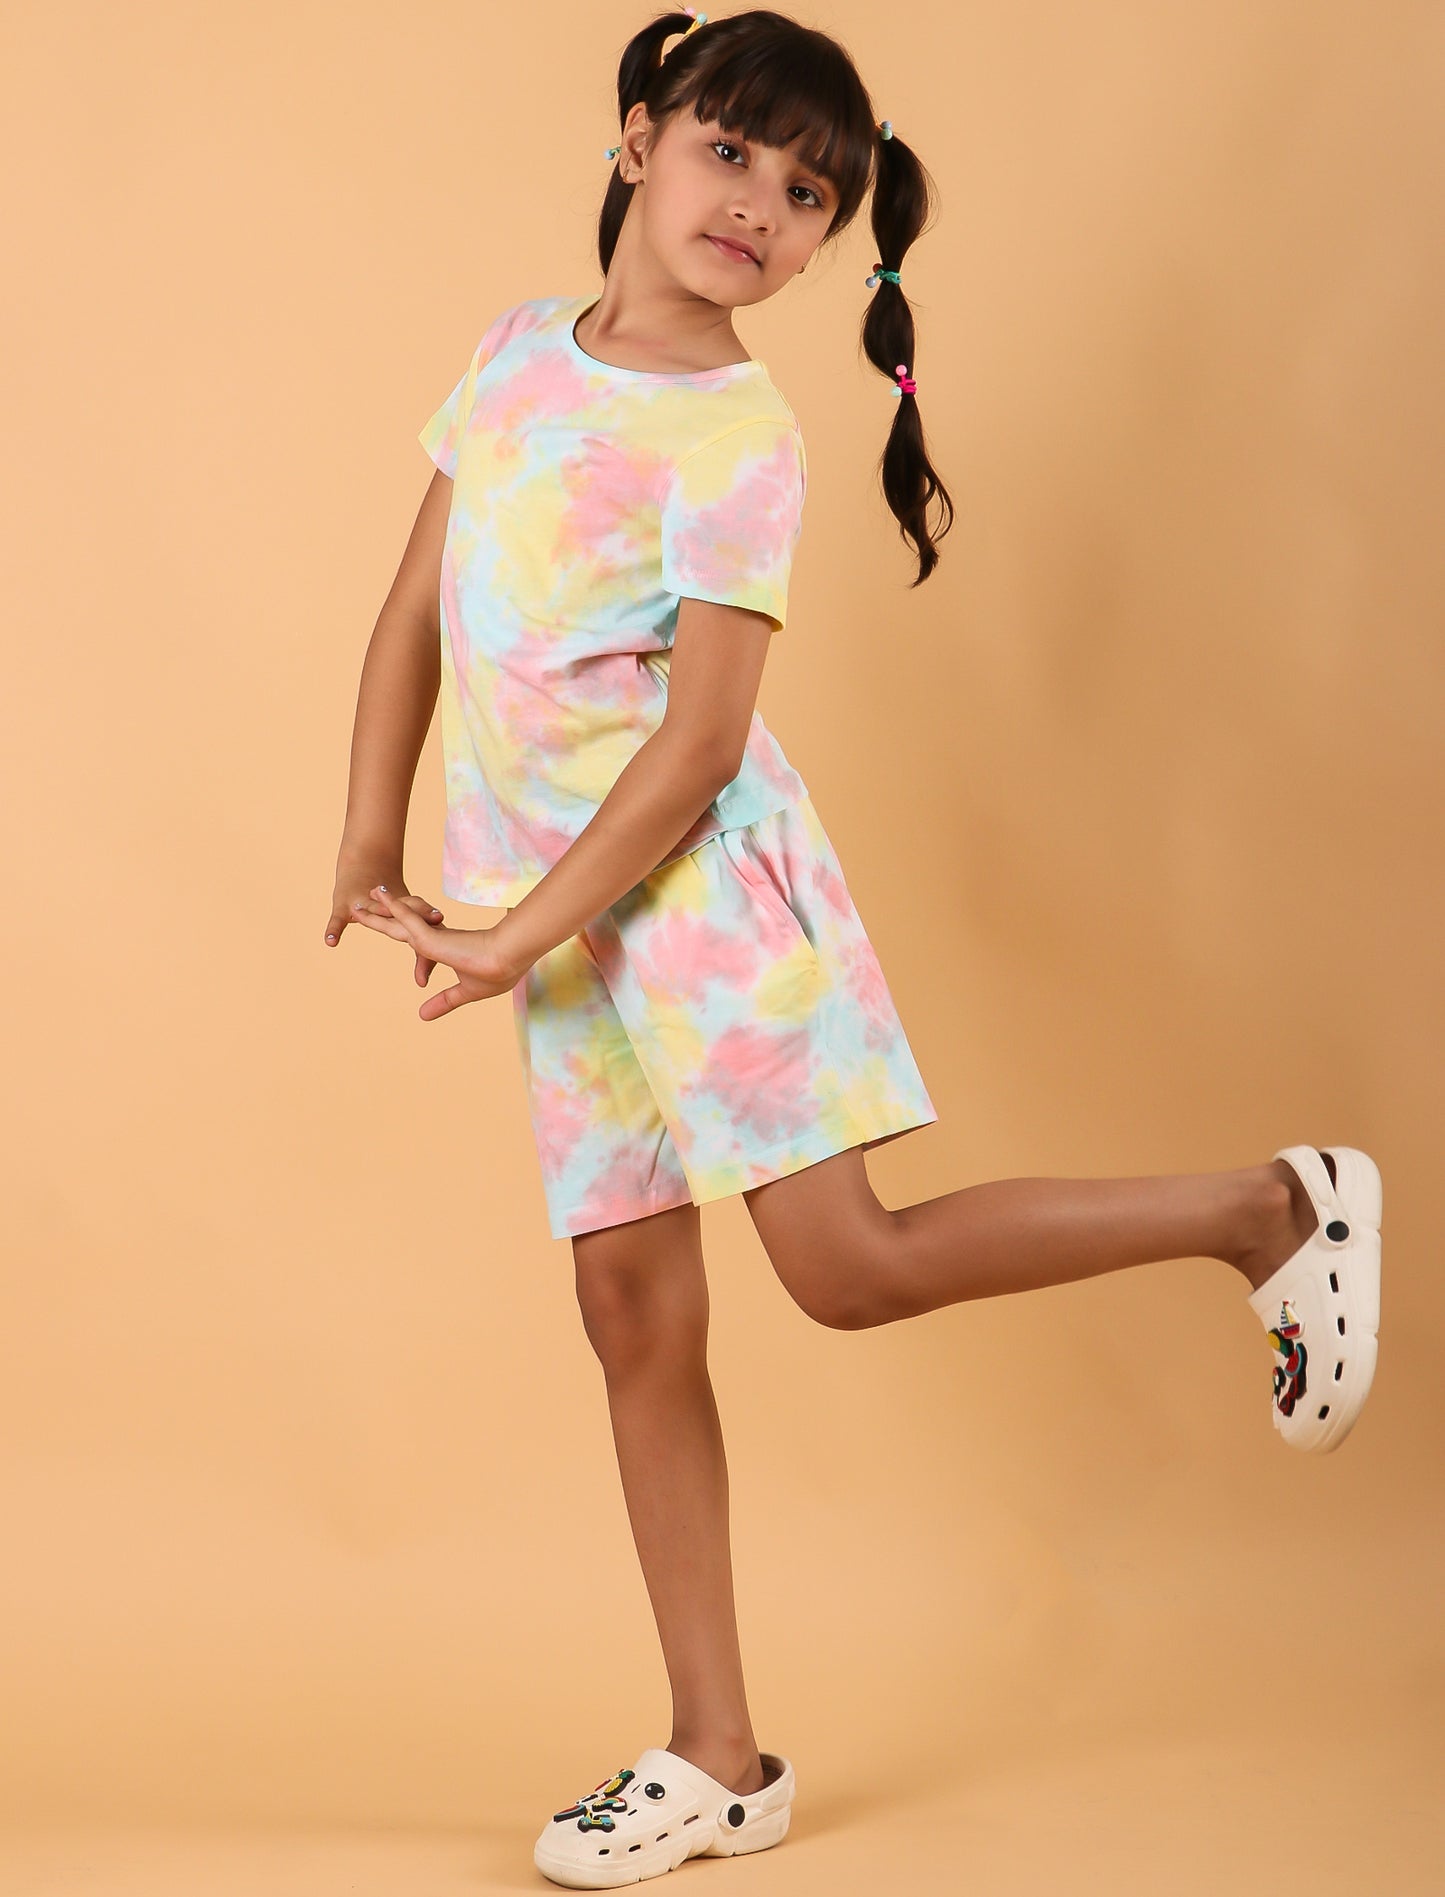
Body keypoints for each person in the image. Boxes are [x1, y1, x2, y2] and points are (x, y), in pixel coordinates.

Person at [323, 8, 1384, 1887]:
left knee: (846, 1265)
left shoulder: (738, 437)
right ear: (639, 137)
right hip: (553, 927)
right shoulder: (511, 353)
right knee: (629, 1308)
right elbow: (415, 605)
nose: (760, 204)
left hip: (697, 900)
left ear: (830, 245)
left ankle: (1267, 1210)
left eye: (808, 193)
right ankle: (715, 1756)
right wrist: (367, 835)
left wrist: (505, 937)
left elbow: (697, 749)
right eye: (730, 151)